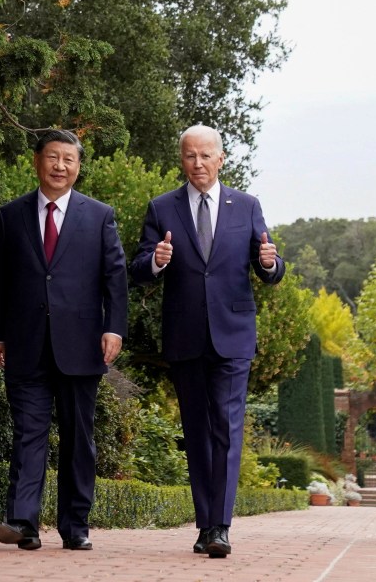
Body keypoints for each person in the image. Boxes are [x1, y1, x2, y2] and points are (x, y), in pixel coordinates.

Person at [129, 125, 284, 558]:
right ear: (181, 159)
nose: (197, 164)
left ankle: (221, 527)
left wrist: (271, 265)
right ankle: (204, 524)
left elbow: (267, 261)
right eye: (189, 156)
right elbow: (138, 266)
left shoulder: (247, 206)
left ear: (221, 158)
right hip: (185, 336)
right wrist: (156, 263)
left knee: (227, 430)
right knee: (197, 432)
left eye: (205, 156)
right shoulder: (162, 207)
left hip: (233, 336)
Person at [0, 129, 128, 551]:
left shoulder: (99, 215)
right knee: (28, 432)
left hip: (82, 344)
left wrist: (114, 327)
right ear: (37, 161)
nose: (60, 166)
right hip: (25, 342)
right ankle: (23, 522)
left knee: (77, 437)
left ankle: (75, 525)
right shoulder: (10, 215)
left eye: (68, 159)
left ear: (78, 167)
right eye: (52, 157)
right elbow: (1, 281)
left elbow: (115, 279)